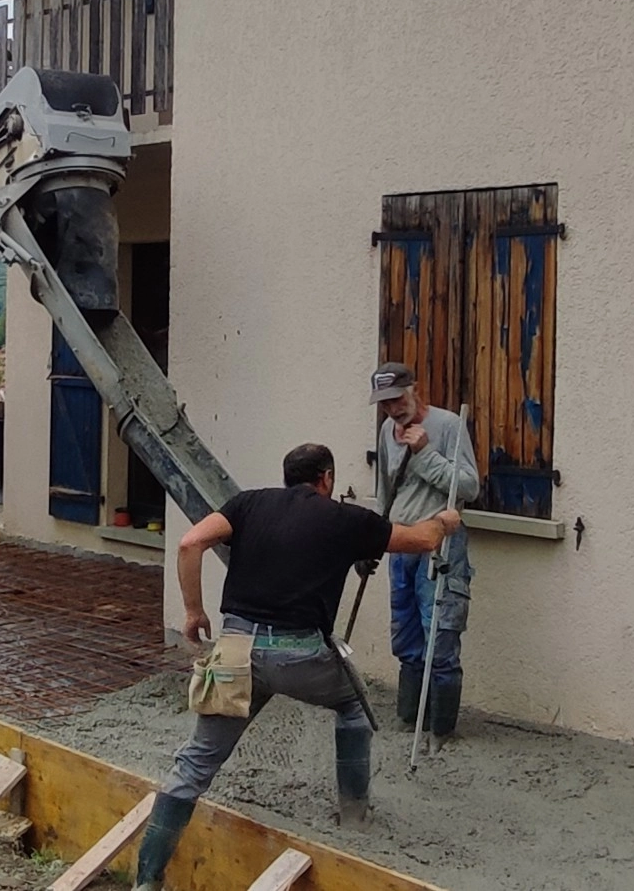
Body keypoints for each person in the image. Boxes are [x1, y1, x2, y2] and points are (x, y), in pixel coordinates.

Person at [132, 443, 461, 891]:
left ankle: (147, 881)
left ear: (287, 476)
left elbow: (191, 543)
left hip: (236, 652)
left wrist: (193, 611)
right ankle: (353, 817)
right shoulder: (346, 520)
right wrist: (445, 520)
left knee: (193, 766)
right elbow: (422, 541)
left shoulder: (249, 503)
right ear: (326, 478)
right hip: (300, 656)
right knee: (352, 708)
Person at [366, 361, 480, 744]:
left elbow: (468, 486)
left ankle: (441, 729)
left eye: (397, 399)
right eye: (385, 404)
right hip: (400, 541)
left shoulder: (448, 426)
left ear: (415, 389)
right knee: (406, 633)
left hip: (440, 543)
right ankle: (409, 719)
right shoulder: (387, 429)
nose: (393, 410)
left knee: (441, 633)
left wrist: (426, 453)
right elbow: (385, 486)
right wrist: (376, 536)